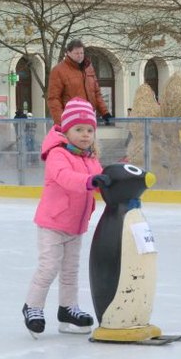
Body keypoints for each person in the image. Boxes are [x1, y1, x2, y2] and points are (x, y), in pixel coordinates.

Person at [22, 98, 111, 336]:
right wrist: (90, 181)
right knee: (49, 266)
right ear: (66, 130)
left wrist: (115, 182)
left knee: (71, 270)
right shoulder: (57, 155)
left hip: (76, 225)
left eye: (90, 130)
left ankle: (67, 308)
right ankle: (32, 306)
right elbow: (66, 178)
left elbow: (100, 180)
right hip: (52, 223)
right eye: (79, 129)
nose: (85, 135)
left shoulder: (90, 157)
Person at [47, 39, 112, 126]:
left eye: (81, 53)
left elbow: (96, 93)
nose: (80, 56)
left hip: (89, 117)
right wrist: (60, 122)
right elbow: (54, 98)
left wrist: (105, 112)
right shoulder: (58, 70)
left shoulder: (88, 68)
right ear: (68, 53)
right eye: (77, 53)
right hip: (70, 119)